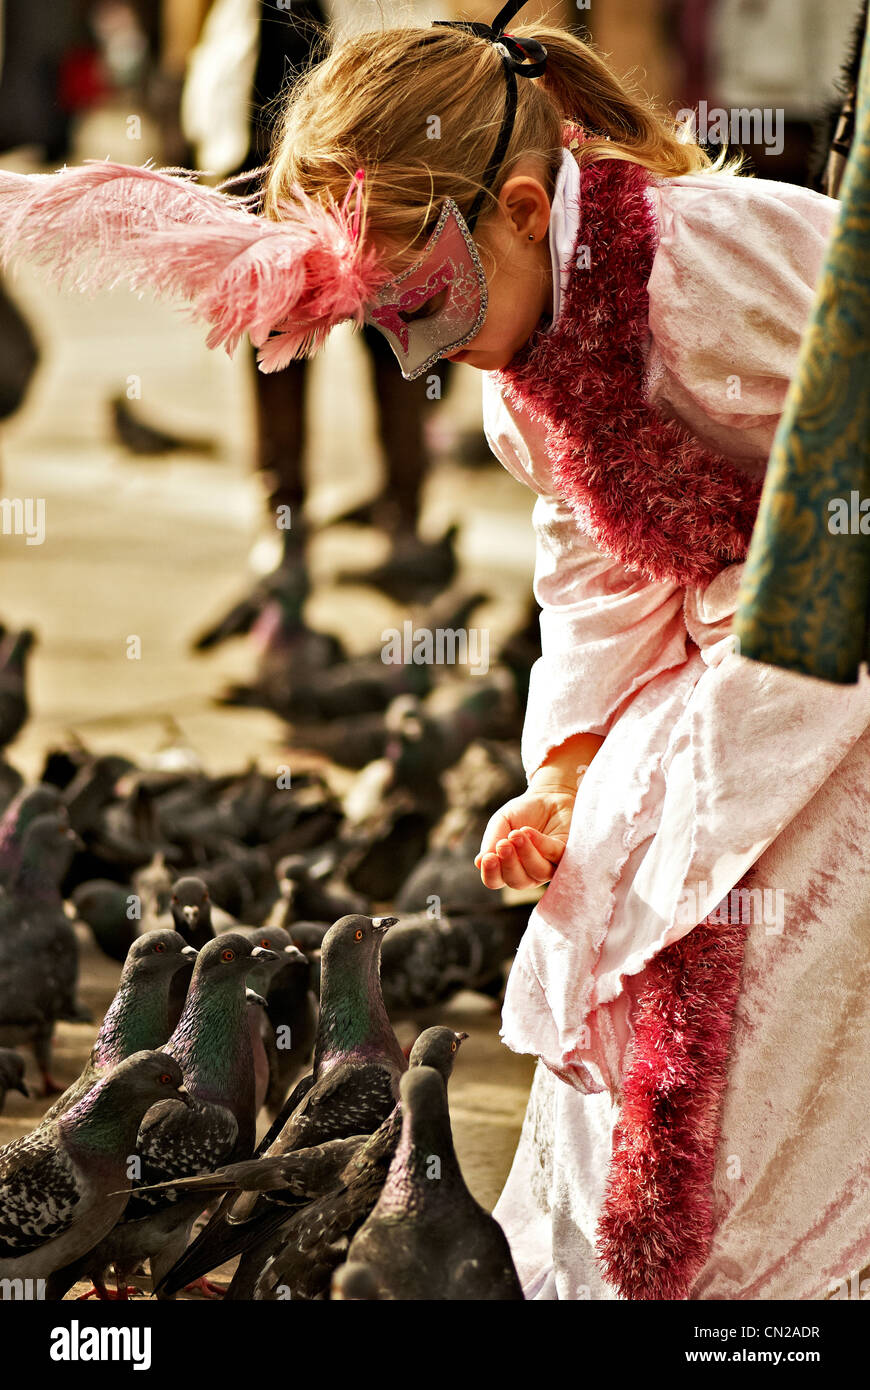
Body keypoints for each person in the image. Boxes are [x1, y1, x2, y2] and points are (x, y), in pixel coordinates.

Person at [3, 0, 869, 1301]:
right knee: (607, 884)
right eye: (380, 325)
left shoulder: (719, 262)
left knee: (763, 928)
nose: (416, 353)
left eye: (423, 302)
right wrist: (565, 771)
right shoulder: (524, 387)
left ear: (523, 210)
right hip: (725, 657)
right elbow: (592, 579)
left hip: (832, 645)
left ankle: (785, 1273)